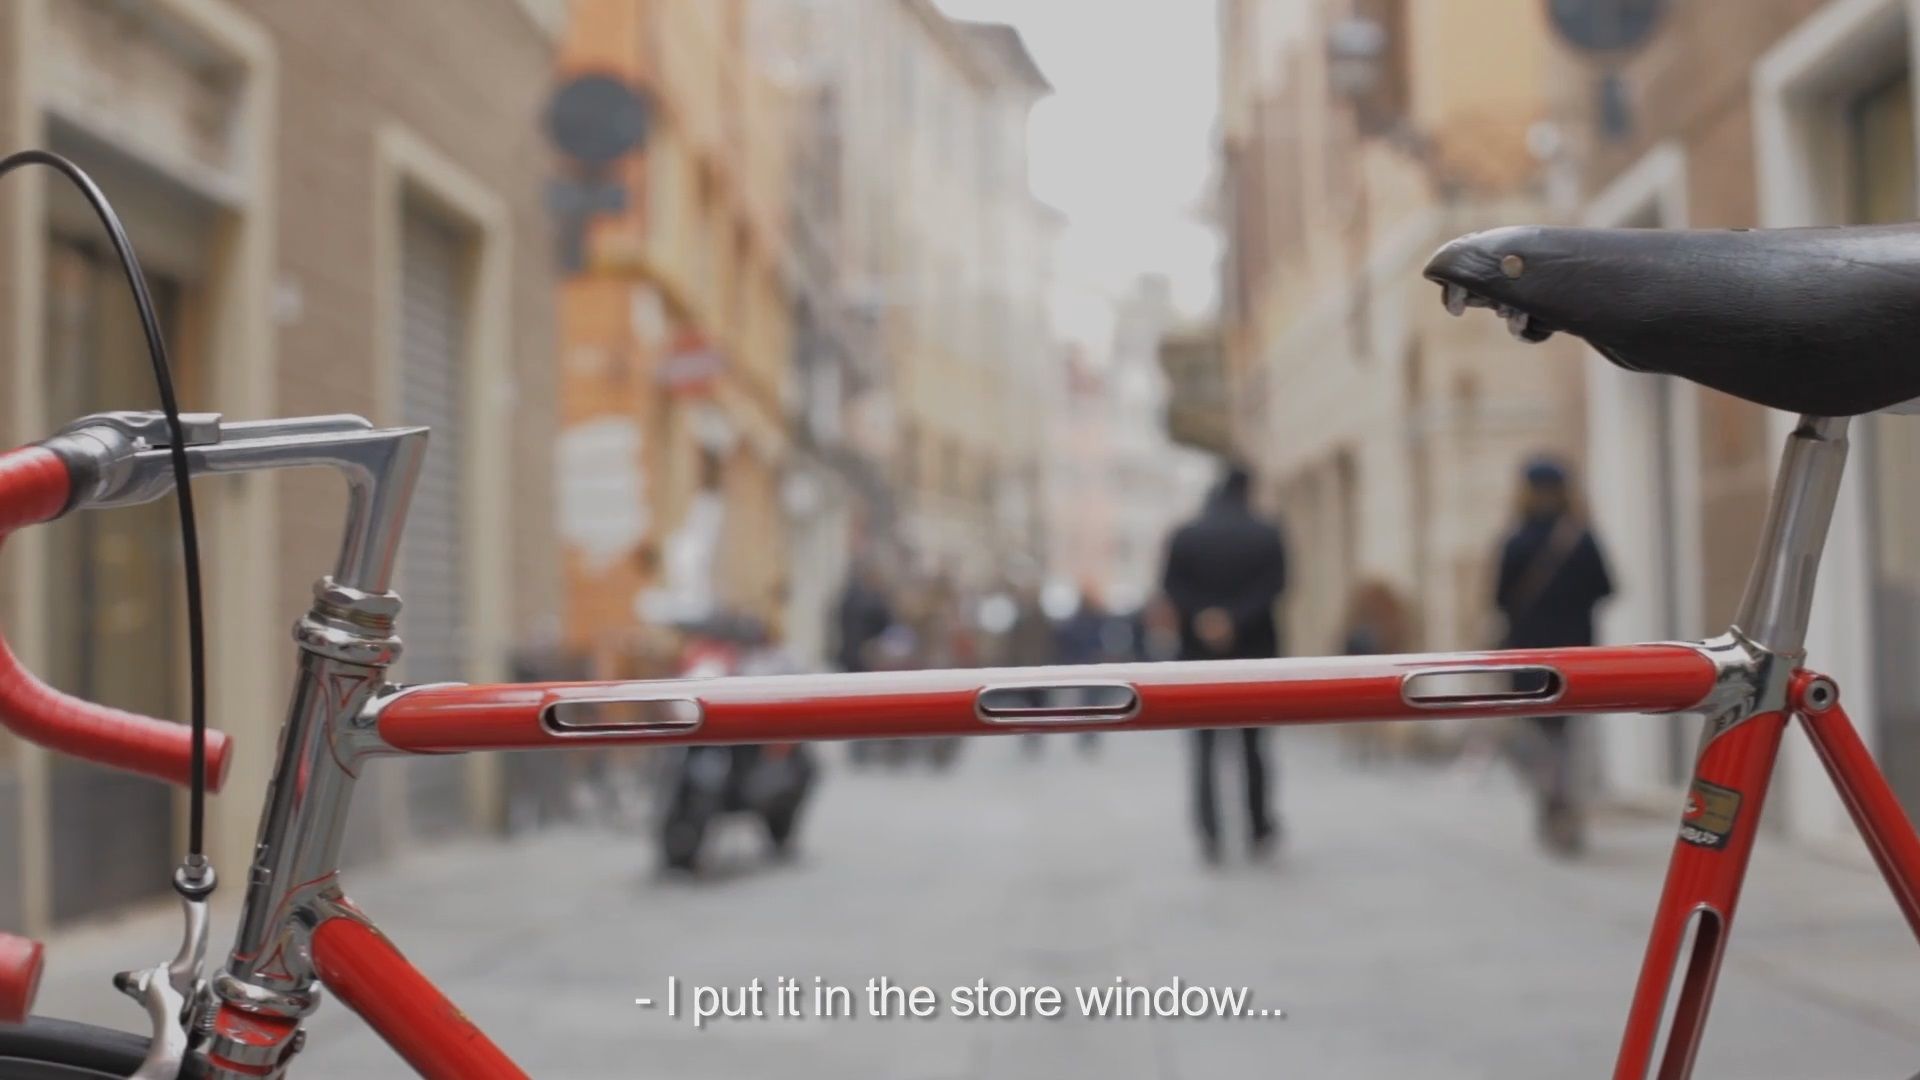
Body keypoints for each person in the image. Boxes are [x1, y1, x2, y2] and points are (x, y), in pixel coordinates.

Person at [1161, 463, 1289, 864]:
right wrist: (1235, 618)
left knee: (1203, 748)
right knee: (1254, 745)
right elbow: (1276, 585)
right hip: (1254, 653)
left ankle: (1210, 832)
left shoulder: (1186, 535)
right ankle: (1258, 827)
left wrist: (1206, 617)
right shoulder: (1266, 533)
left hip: (1197, 657)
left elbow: (1171, 586)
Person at [1493, 456, 1614, 856]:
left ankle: (1551, 801)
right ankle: (1566, 807)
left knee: (1538, 736)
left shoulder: (1515, 541)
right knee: (1571, 738)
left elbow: (1499, 600)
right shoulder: (1582, 539)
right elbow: (1607, 589)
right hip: (1577, 657)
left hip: (1529, 658)